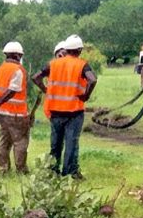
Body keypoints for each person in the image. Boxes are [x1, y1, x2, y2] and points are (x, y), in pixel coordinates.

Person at [32, 35, 97, 179]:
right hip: (74, 112)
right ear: (79, 50)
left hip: (55, 111)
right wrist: (86, 96)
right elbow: (92, 80)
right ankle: (70, 173)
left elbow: (35, 77)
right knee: (71, 143)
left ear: (66, 49)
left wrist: (46, 90)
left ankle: (52, 172)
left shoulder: (53, 64)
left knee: (55, 144)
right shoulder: (82, 64)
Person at [0, 41, 30, 175]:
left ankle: (3, 169)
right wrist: (0, 103)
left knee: (3, 142)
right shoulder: (18, 70)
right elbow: (12, 91)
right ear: (18, 55)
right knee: (20, 142)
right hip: (17, 114)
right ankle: (21, 169)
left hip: (2, 114)